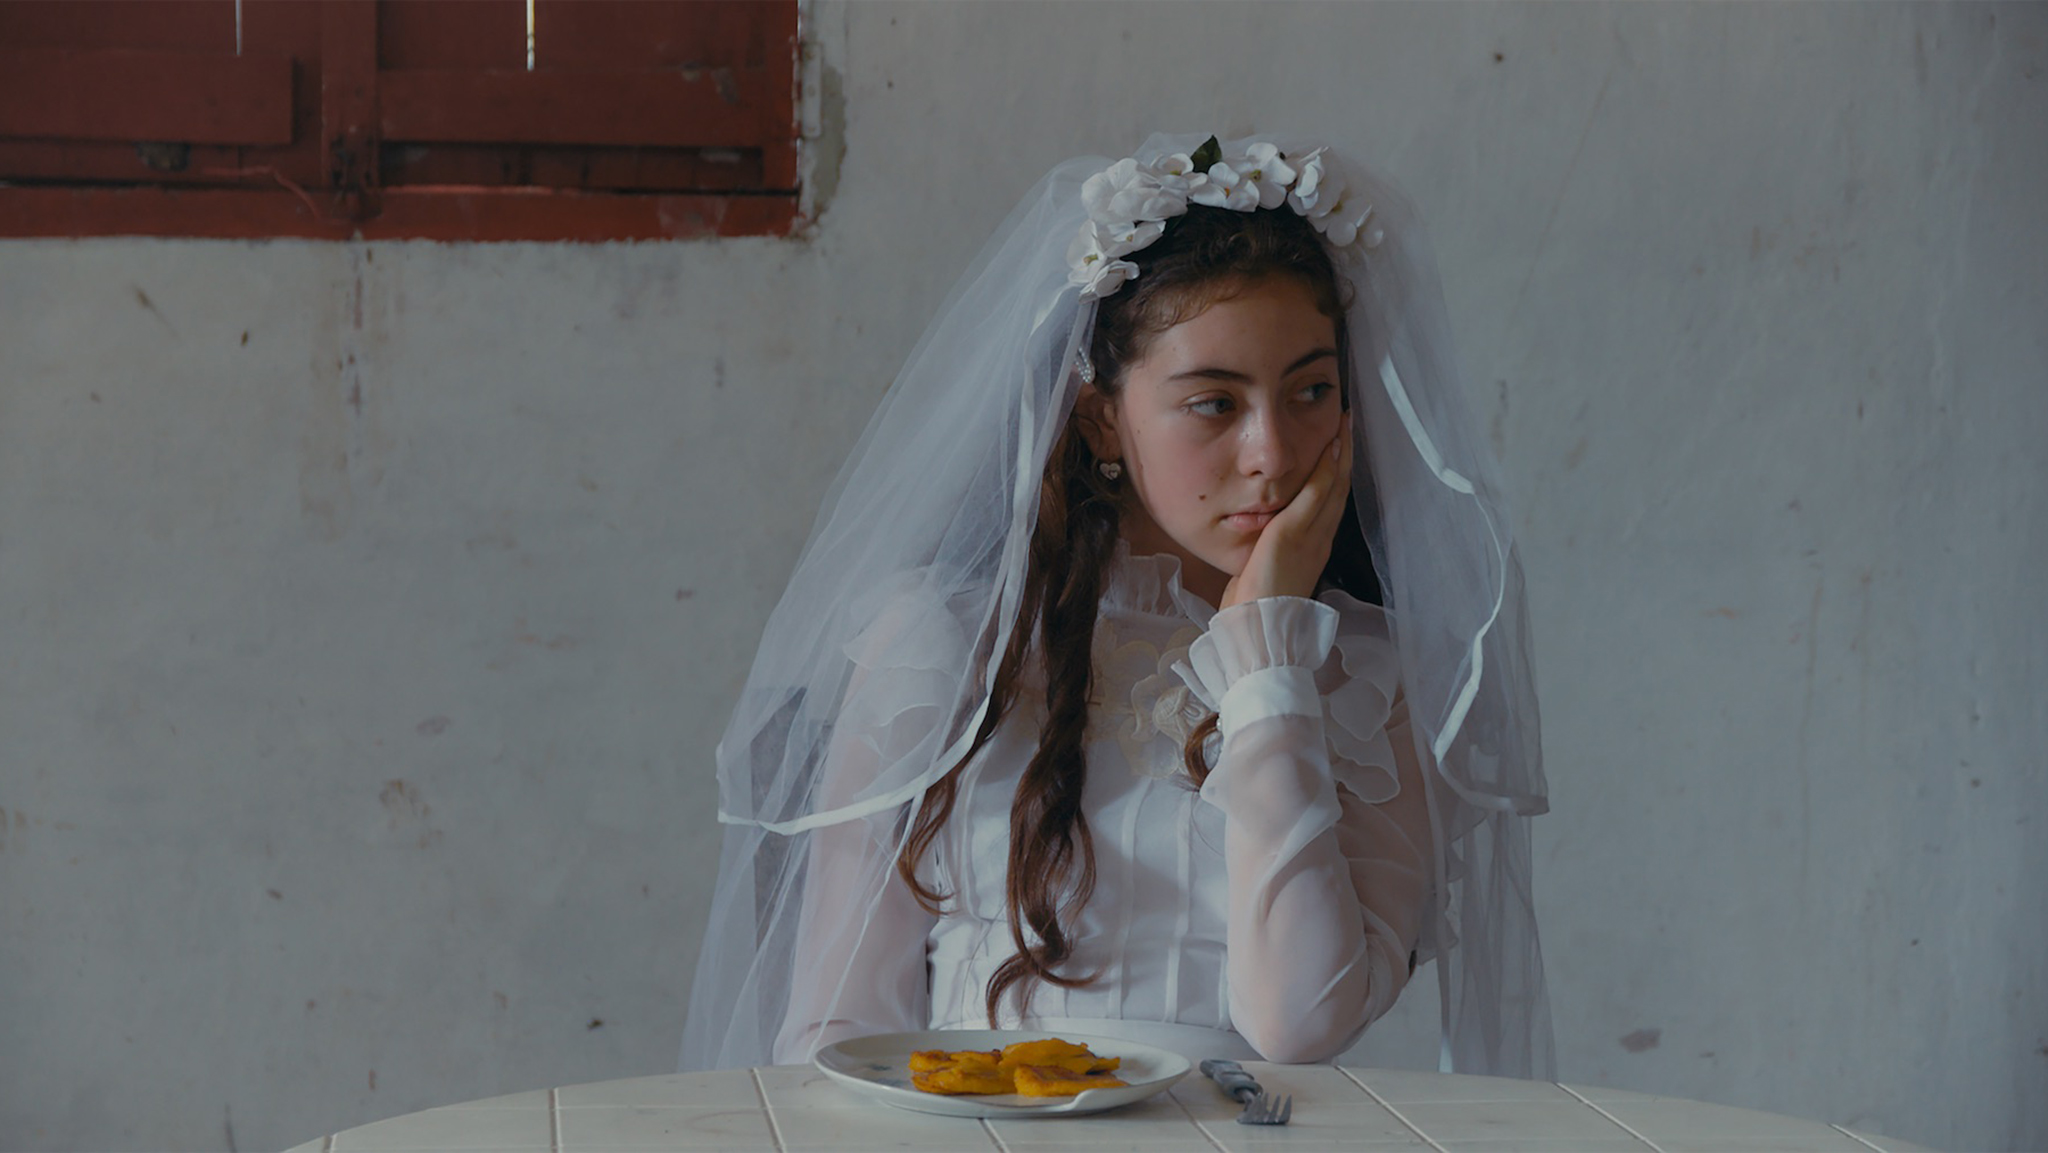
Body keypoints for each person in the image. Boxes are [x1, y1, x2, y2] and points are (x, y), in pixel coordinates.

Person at [681, 134, 1553, 1079]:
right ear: (1102, 416)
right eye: (1214, 403)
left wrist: (1267, 653)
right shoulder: (946, 645)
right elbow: (837, 1034)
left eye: (1311, 390)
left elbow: (1301, 1023)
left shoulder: (1374, 674)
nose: (1272, 451)